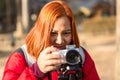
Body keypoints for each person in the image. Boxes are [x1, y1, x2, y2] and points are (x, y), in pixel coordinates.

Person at [2, 0, 100, 80]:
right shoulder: (22, 58)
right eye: (53, 33)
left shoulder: (80, 56)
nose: (60, 41)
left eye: (66, 33)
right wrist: (36, 71)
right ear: (42, 30)